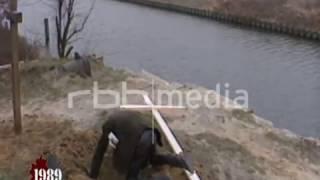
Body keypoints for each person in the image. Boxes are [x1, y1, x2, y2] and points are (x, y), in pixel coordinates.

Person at [89, 110, 192, 180]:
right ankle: (179, 160)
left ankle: (161, 179)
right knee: (153, 158)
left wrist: (93, 175)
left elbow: (100, 151)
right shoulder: (124, 116)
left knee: (131, 175)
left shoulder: (108, 126)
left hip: (141, 142)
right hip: (151, 134)